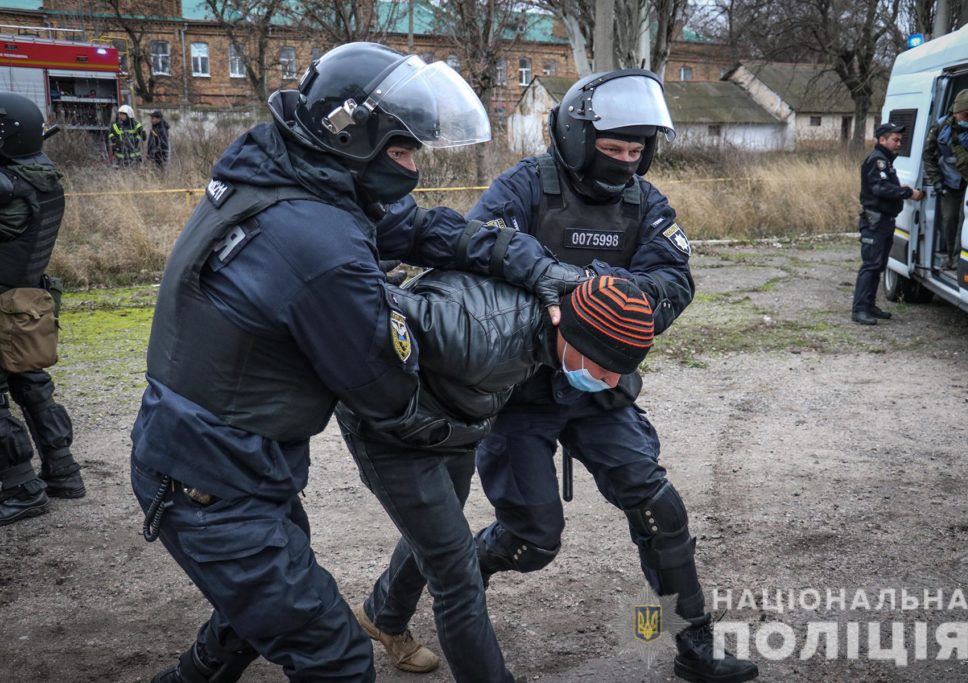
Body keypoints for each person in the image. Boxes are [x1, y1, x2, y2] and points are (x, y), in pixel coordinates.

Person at [131, 42, 588, 683]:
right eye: (403, 149)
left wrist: (534, 266)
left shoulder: (287, 169)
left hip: (220, 457)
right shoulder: (320, 245)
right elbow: (385, 394)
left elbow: (423, 228)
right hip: (213, 485)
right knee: (334, 655)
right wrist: (480, 397)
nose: (415, 164)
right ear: (355, 134)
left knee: (257, 608)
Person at [356, 68, 753, 682]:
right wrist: (548, 290)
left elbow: (674, 280)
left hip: (599, 386)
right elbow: (477, 253)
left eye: (635, 151)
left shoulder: (647, 203)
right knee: (532, 540)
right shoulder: (522, 187)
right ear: (576, 138)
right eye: (613, 148)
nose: (625, 161)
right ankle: (412, 594)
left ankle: (693, 648)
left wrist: (604, 299)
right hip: (520, 392)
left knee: (660, 511)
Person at [339, 273, 655, 683]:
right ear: (575, 338)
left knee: (439, 528)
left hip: (449, 424)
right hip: (392, 434)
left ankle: (381, 616)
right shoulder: (476, 335)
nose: (611, 382)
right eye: (607, 368)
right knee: (457, 576)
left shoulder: (558, 320)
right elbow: (363, 309)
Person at [0, 93, 86, 526]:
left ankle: (21, 488)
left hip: (3, 306)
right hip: (27, 303)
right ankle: (63, 470)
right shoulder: (42, 175)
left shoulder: (11, 188)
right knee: (33, 386)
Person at [852, 122, 924, 325]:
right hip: (875, 221)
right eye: (895, 140)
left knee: (878, 266)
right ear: (882, 140)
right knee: (871, 265)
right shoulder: (877, 161)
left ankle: (869, 305)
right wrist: (908, 192)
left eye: (900, 140)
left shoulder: (885, 161)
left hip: (884, 221)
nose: (898, 144)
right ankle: (859, 309)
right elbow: (880, 189)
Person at [923, 88, 968, 270]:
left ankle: (958, 258)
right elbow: (928, 156)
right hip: (949, 183)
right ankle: (948, 254)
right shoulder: (940, 128)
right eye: (966, 115)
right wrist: (936, 181)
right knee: (949, 219)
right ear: (956, 113)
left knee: (965, 220)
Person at [109, 103, 145, 167]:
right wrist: (115, 140)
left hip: (134, 158)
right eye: (120, 114)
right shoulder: (116, 125)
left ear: (129, 115)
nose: (120, 116)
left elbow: (144, 137)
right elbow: (110, 134)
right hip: (120, 158)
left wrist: (138, 137)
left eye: (123, 114)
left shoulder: (136, 125)